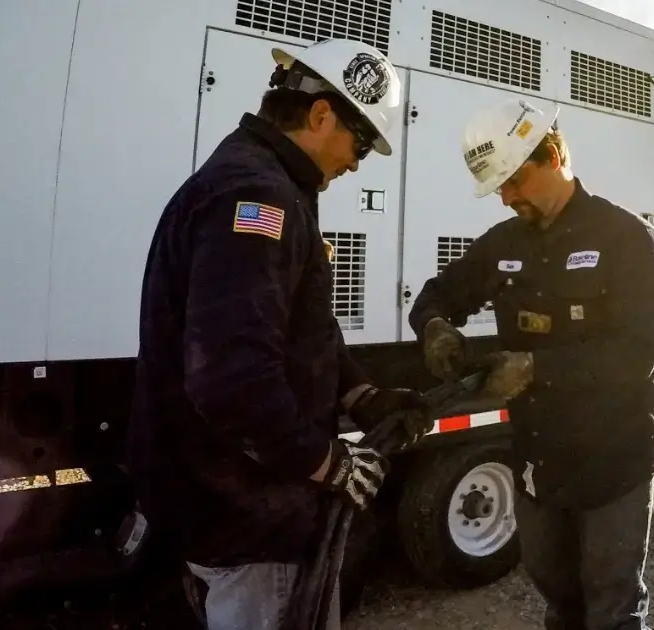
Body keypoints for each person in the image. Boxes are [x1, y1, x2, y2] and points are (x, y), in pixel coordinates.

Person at [126, 38, 433, 630]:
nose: (358, 162)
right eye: (361, 141)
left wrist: (361, 396)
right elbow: (232, 380)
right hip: (248, 514)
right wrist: (326, 464)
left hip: (223, 497)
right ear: (321, 115)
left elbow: (301, 329)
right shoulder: (258, 194)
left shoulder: (265, 180)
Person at [408, 97, 654, 629]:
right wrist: (434, 325)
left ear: (552, 155)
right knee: (560, 601)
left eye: (514, 180)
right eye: (499, 186)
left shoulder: (626, 239)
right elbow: (438, 293)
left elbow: (636, 354)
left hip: (613, 460)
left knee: (612, 606)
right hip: (537, 460)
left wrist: (535, 367)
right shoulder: (505, 242)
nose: (505, 197)